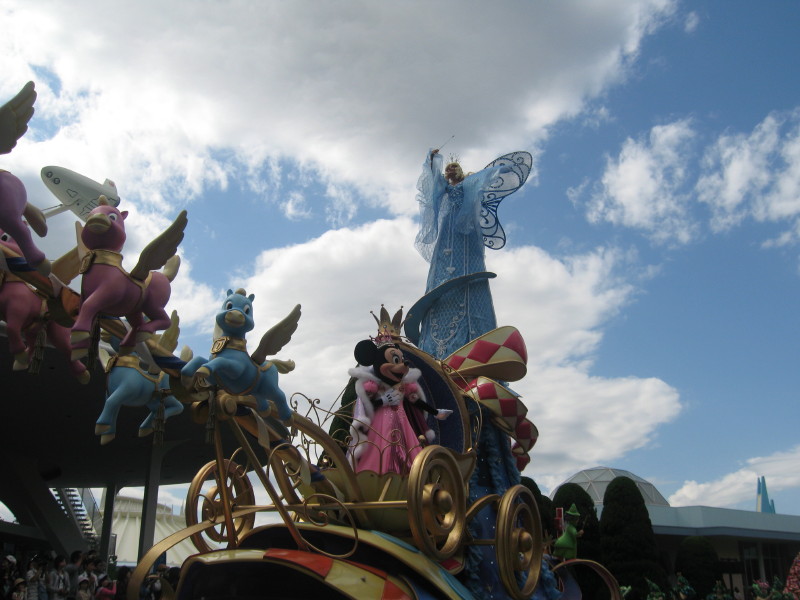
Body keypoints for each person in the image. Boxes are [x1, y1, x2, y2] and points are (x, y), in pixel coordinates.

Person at [414, 147, 530, 358]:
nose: (449, 172)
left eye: (452, 169)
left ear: (459, 171)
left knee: (468, 266)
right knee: (441, 266)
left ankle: (472, 341)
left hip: (466, 231)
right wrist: (431, 162)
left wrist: (500, 170)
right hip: (448, 229)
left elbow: (483, 178)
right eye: (447, 170)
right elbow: (432, 187)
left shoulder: (469, 184)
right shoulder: (444, 190)